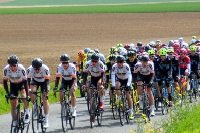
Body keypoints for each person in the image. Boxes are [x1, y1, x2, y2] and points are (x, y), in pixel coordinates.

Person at [3, 55, 30, 126]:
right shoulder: (6, 69)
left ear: (17, 64)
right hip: (13, 85)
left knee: (24, 97)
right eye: (10, 66)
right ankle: (14, 121)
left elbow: (25, 82)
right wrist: (8, 93)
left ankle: (27, 113)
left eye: (14, 65)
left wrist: (27, 94)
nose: (12, 67)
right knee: (13, 104)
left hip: (21, 84)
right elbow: (5, 82)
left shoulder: (21, 68)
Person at [27, 58, 50, 128]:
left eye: (38, 69)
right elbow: (27, 80)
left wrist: (46, 92)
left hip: (44, 82)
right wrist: (28, 90)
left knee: (45, 99)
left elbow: (47, 82)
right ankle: (35, 106)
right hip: (35, 81)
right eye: (35, 69)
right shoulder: (30, 69)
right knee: (31, 91)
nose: (36, 70)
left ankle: (46, 120)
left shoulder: (45, 69)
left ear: (41, 67)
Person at [82, 53, 105, 122]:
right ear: (91, 60)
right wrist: (84, 84)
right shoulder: (88, 64)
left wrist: (101, 84)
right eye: (93, 61)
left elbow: (102, 75)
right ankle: (93, 105)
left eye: (96, 61)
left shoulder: (101, 64)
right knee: (91, 89)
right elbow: (85, 75)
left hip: (100, 77)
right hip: (93, 77)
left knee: (99, 85)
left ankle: (101, 102)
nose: (94, 63)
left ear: (98, 61)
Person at [111, 55, 134, 120]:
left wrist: (128, 85)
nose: (119, 63)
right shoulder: (114, 66)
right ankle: (119, 98)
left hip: (127, 80)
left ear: (123, 62)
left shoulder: (126, 66)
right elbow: (112, 76)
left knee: (128, 95)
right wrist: (113, 85)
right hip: (120, 79)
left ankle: (131, 112)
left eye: (121, 62)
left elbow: (130, 75)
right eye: (118, 62)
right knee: (117, 85)